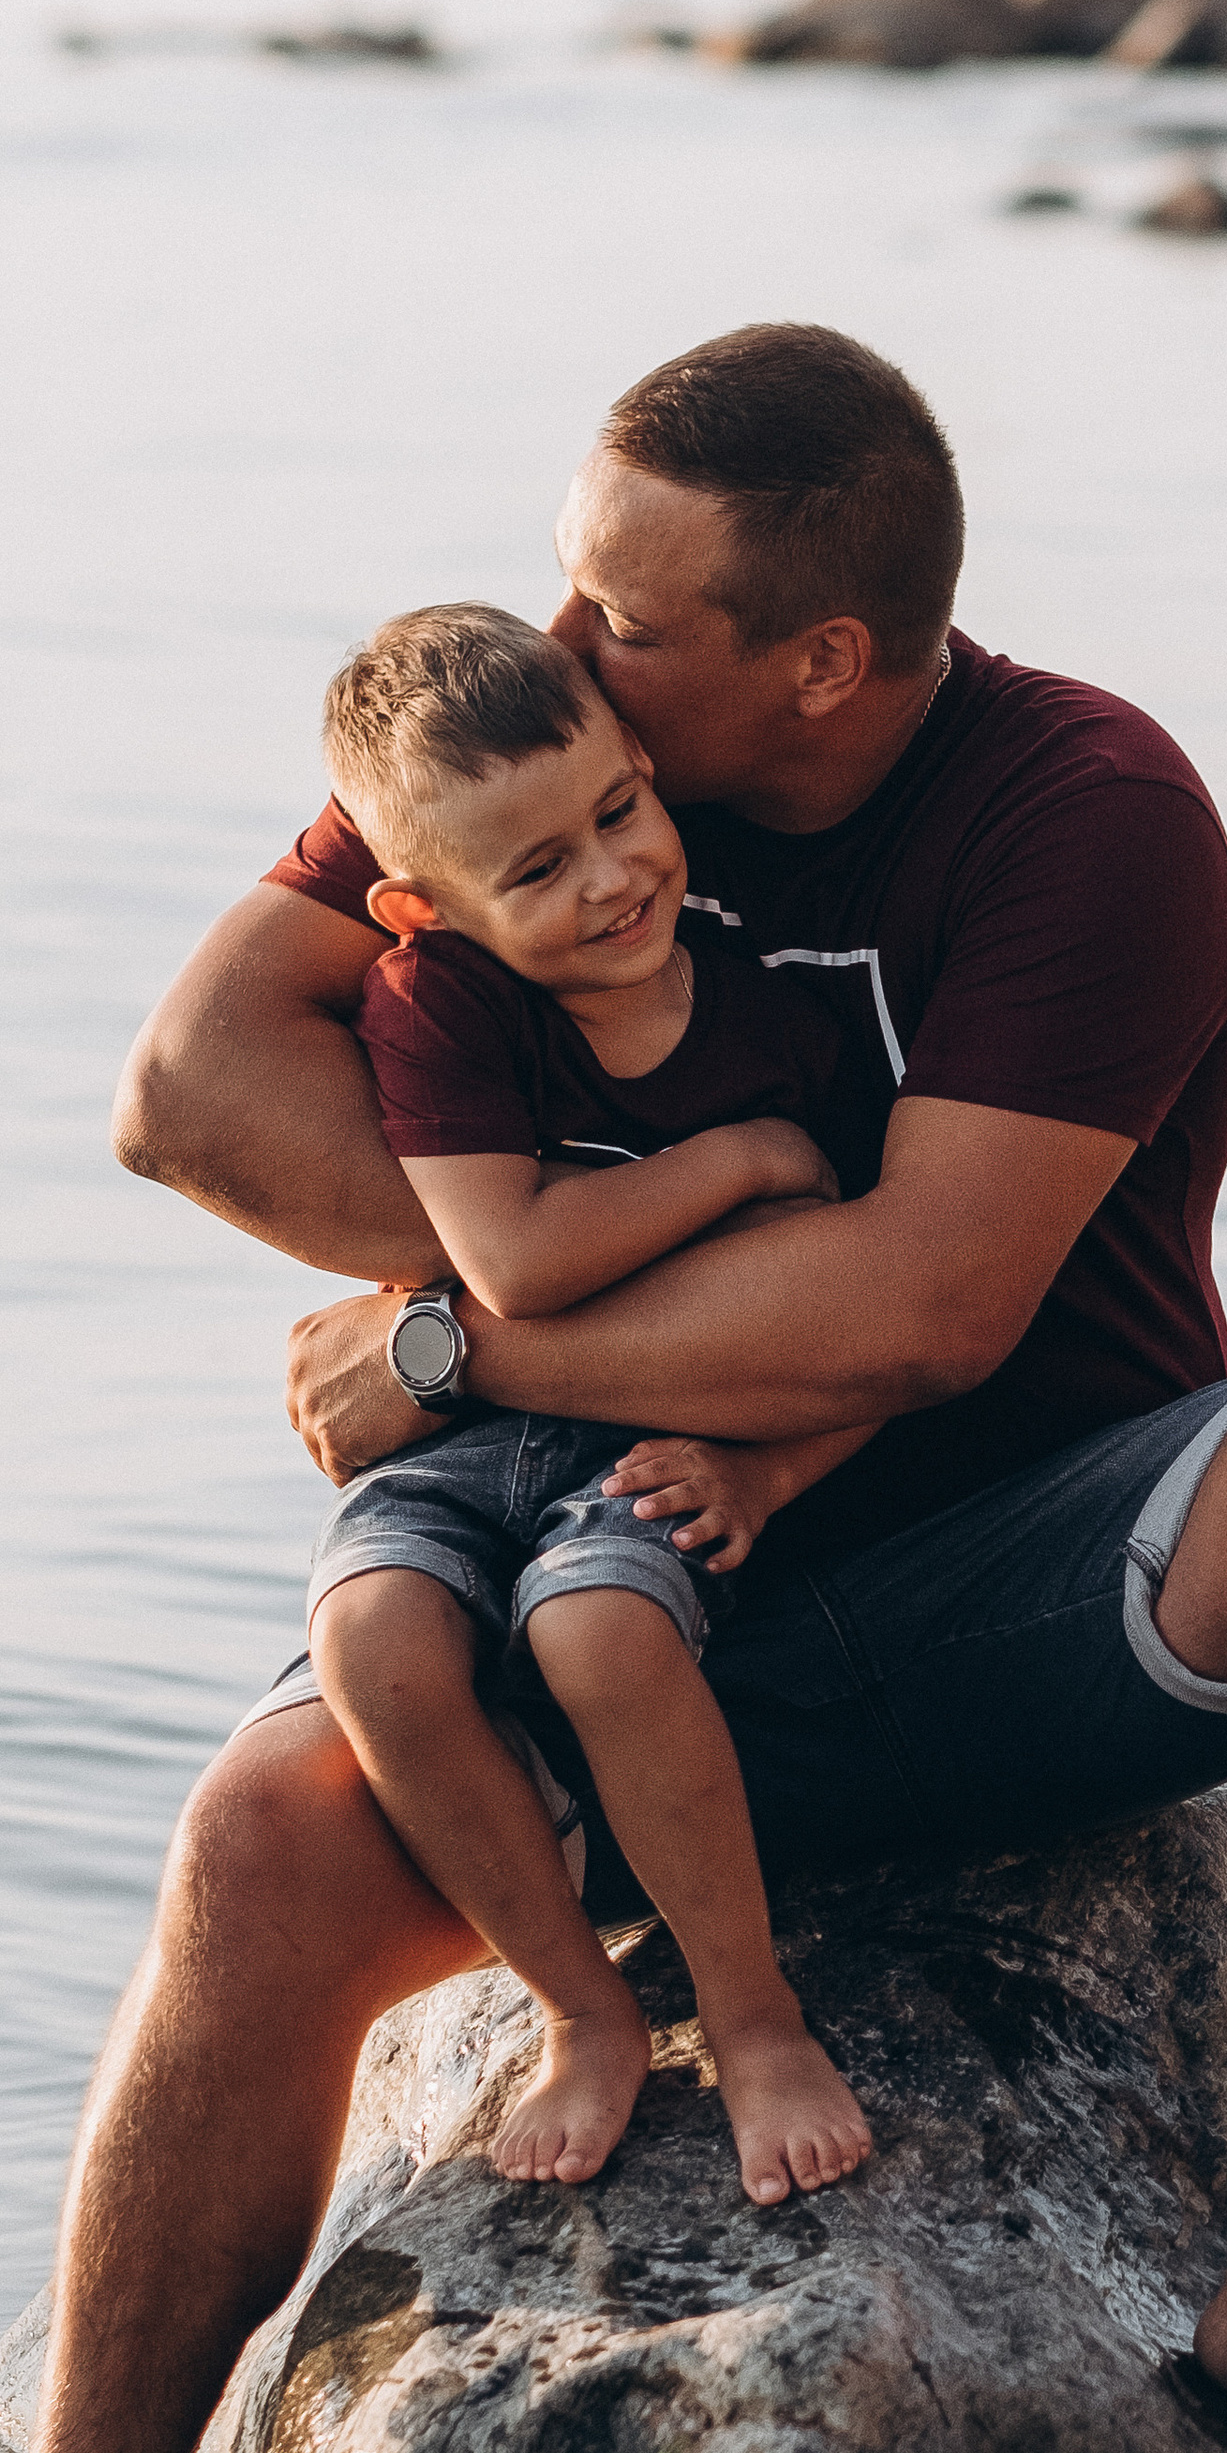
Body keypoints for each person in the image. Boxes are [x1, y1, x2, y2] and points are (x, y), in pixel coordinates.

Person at [14, 322, 1227, 2453]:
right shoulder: (529, 747)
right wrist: (559, 1341)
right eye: (562, 587)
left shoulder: (1084, 817)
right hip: (600, 1561)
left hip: (1027, 1586)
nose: (555, 646)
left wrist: (452, 1338)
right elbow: (194, 1094)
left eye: (622, 615)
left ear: (821, 665)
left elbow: (925, 1314)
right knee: (257, 1844)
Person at [301, 597, 876, 2207]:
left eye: (617, 815)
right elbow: (516, 1258)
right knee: (373, 1640)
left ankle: (754, 2020)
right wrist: (744, 1159)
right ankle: (581, 2006)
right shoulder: (441, 1007)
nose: (612, 879)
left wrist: (771, 1480)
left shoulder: (783, 1024)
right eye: (535, 871)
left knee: (596, 1629)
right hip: (463, 1441)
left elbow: (878, 1337)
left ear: (642, 763)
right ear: (423, 908)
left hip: (661, 1443)